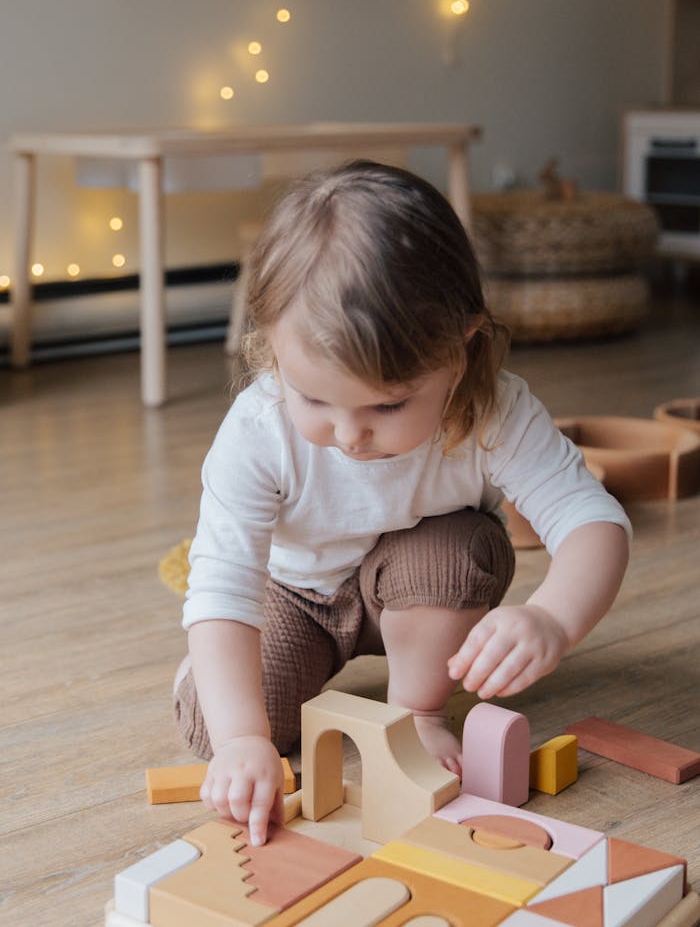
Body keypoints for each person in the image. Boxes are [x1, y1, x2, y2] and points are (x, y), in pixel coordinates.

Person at [173, 160, 630, 847]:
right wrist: (244, 739)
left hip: (416, 585)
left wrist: (551, 619)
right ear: (273, 349)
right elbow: (223, 584)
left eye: (388, 404)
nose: (350, 435)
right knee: (221, 727)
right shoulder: (257, 429)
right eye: (314, 398)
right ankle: (214, 678)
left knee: (458, 548)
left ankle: (417, 712)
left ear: (463, 344)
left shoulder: (493, 409)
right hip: (296, 595)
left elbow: (594, 522)